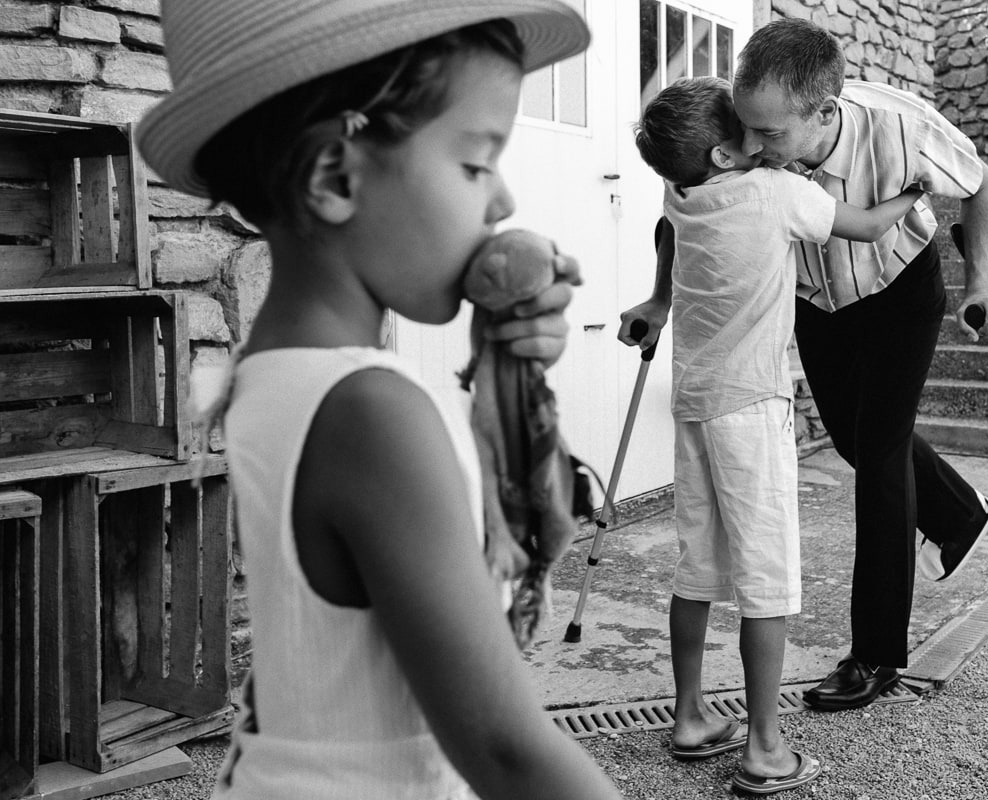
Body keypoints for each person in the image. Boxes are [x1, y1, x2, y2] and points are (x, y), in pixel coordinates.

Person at [135, 2, 624, 799]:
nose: (501, 201)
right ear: (335, 176)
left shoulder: (276, 371)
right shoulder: (373, 411)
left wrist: (505, 376)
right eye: (475, 163)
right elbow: (505, 750)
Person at [623, 17, 988, 715]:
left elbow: (982, 188)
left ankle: (875, 654)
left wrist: (986, 288)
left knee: (883, 453)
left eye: (769, 135)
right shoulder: (736, 131)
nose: (748, 147)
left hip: (898, 286)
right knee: (851, 439)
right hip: (815, 296)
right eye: (744, 128)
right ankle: (958, 513)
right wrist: (660, 301)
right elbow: (680, 211)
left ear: (823, 113)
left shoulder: (902, 127)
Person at [628, 76, 922, 794]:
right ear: (728, 154)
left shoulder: (681, 192)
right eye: (749, 134)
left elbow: (666, 229)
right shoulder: (775, 193)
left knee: (696, 565)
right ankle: (764, 748)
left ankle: (691, 716)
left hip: (696, 401)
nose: (764, 143)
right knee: (768, 576)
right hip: (753, 409)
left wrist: (661, 295)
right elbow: (866, 225)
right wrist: (910, 194)